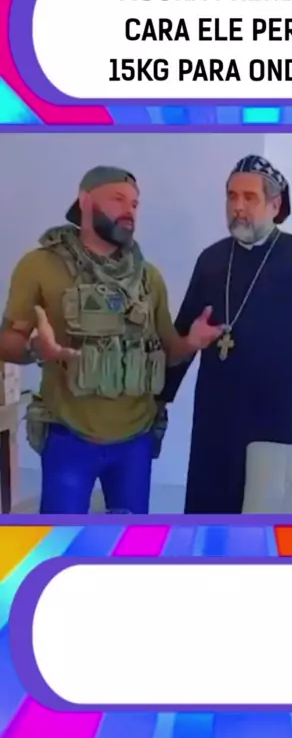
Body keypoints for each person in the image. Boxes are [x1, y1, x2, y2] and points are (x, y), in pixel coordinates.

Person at [0, 166, 222, 514]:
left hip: (135, 440)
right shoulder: (39, 266)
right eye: (118, 199)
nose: (129, 211)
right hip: (69, 436)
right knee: (61, 539)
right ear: (85, 200)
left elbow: (169, 352)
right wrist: (34, 349)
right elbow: (6, 342)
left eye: (135, 204)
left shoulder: (148, 277)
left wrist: (192, 342)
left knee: (131, 542)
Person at [161, 154, 292, 514]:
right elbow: (183, 333)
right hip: (219, 411)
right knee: (213, 510)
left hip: (285, 413)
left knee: (273, 519)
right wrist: (158, 400)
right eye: (232, 196)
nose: (238, 207)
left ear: (275, 205)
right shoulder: (212, 260)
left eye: (249, 197)